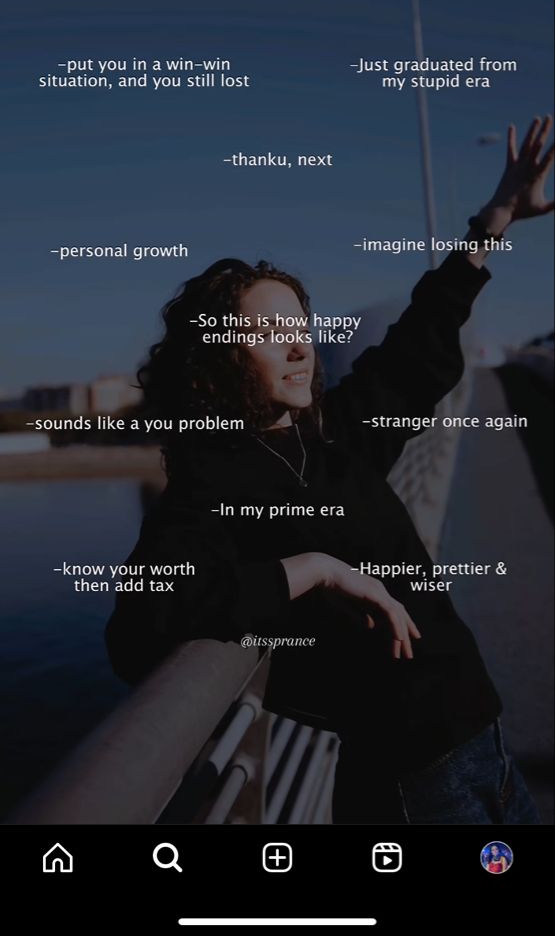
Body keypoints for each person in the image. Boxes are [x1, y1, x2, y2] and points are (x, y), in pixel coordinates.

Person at [105, 116, 553, 824]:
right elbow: (139, 621)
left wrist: (494, 218)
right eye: (268, 336)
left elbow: (418, 342)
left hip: (485, 743)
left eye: (300, 329)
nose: (297, 348)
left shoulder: (335, 435)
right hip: (415, 785)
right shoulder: (216, 485)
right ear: (220, 360)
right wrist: (309, 567)